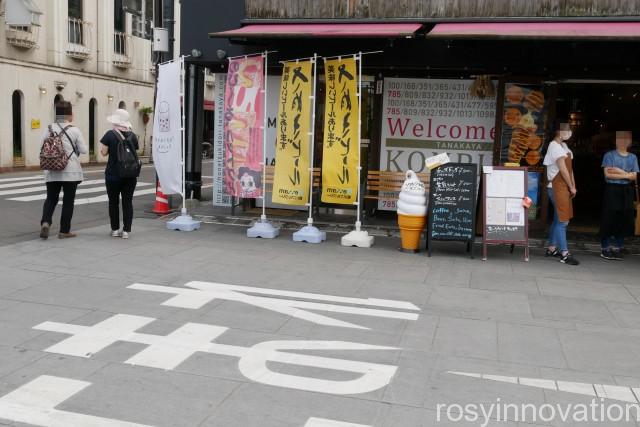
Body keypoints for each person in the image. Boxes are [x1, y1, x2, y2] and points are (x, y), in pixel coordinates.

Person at [39, 101, 87, 239]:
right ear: (70, 114)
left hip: (52, 170)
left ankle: (46, 222)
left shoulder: (48, 129)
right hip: (70, 172)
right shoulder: (74, 130)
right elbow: (83, 150)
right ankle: (64, 231)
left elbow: (41, 147)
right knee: (68, 201)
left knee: (51, 199)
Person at [543, 122, 579, 265]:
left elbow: (570, 170)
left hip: (564, 187)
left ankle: (552, 248)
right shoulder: (554, 147)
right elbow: (563, 170)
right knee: (563, 221)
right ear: (558, 131)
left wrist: (573, 186)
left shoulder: (563, 146)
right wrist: (571, 186)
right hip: (557, 187)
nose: (569, 132)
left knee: (559, 219)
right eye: (567, 129)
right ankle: (564, 254)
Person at [599, 131, 639, 260]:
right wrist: (627, 174)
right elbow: (608, 174)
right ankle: (605, 248)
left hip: (626, 191)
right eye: (620, 138)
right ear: (615, 141)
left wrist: (618, 171)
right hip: (612, 189)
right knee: (609, 217)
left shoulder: (633, 157)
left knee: (624, 218)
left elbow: (635, 177)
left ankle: (618, 247)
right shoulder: (609, 155)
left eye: (626, 138)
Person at [100, 109, 139, 239]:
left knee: (113, 202)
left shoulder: (110, 134)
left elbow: (103, 153)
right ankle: (126, 231)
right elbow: (135, 151)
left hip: (113, 175)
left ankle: (115, 230)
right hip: (130, 174)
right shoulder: (132, 135)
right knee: (128, 202)